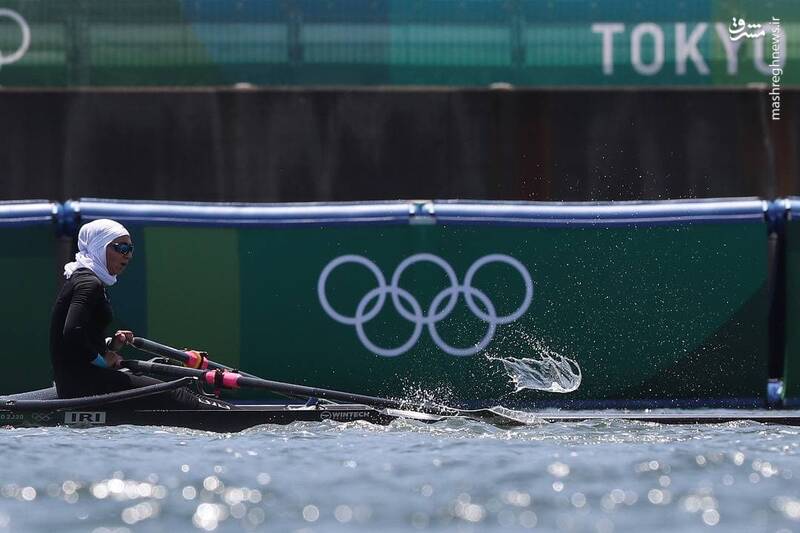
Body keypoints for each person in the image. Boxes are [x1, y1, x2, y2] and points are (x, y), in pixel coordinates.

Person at [49, 218, 225, 409]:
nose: (129, 255)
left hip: (78, 380)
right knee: (177, 395)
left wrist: (110, 346)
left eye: (131, 249)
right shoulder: (89, 283)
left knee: (166, 393)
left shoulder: (84, 278)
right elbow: (72, 332)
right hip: (84, 384)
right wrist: (102, 360)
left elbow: (79, 335)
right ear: (99, 246)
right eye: (122, 248)